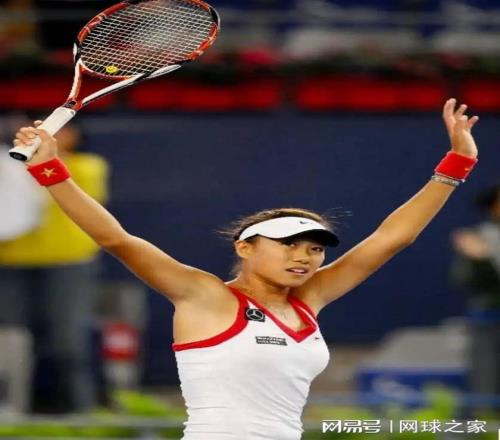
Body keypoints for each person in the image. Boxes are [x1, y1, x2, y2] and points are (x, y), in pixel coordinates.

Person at [12, 99, 478, 438]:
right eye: (288, 245)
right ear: (245, 248)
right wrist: (50, 170)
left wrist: (457, 164)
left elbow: (391, 239)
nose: (303, 257)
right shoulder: (205, 295)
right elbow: (117, 239)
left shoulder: (310, 300)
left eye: (315, 249)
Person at [0, 124, 109, 414]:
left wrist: (24, 167)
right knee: (10, 344)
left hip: (67, 264)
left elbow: (59, 188)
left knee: (68, 343)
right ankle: (12, 418)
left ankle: (82, 416)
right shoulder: (7, 167)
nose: (47, 136)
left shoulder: (88, 166)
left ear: (74, 136)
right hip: (10, 264)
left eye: (56, 131)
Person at [450, 184, 500, 396]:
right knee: (486, 383)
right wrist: (481, 261)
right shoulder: (479, 237)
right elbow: (464, 278)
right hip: (491, 320)